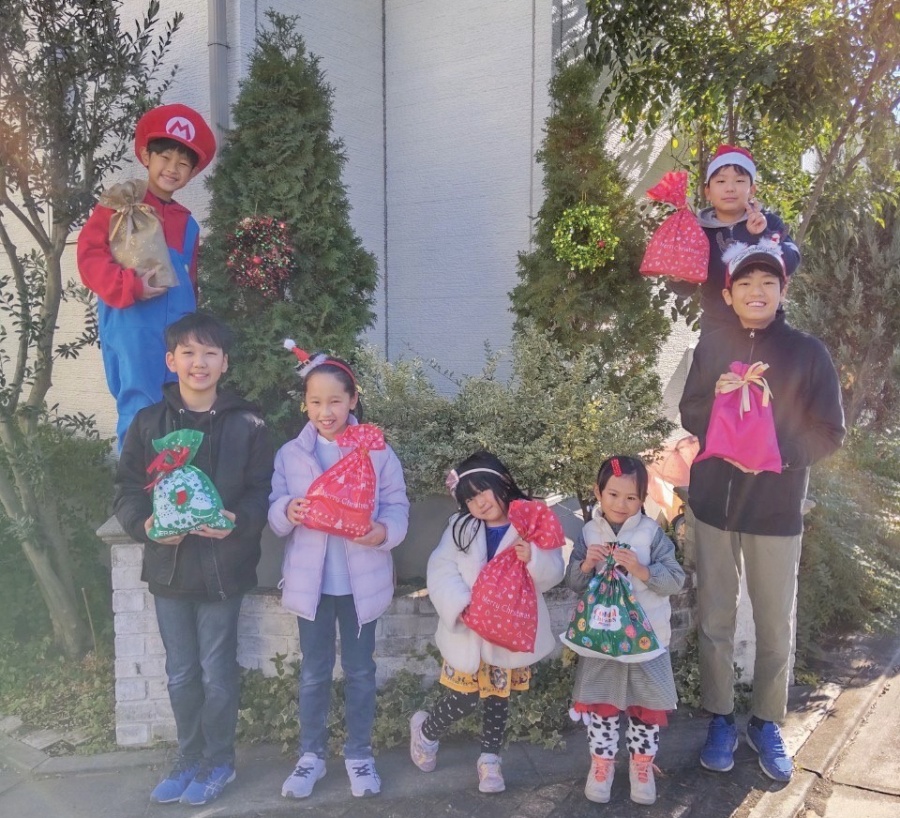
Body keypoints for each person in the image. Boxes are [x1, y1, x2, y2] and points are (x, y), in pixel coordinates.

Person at [679, 242, 844, 782]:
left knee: (775, 622)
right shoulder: (711, 345)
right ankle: (720, 717)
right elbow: (690, 411)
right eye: (745, 283)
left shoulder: (807, 353)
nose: (756, 292)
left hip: (775, 509)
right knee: (715, 619)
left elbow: (829, 431)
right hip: (713, 504)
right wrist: (718, 401)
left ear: (782, 290)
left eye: (767, 283)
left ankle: (767, 721)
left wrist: (776, 454)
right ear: (728, 294)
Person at [114, 312, 274, 806]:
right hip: (169, 570)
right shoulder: (149, 423)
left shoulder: (248, 424)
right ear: (171, 360)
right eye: (188, 352)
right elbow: (126, 490)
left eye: (209, 353)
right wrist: (144, 527)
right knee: (181, 673)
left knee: (216, 672)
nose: (198, 363)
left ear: (225, 363)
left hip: (225, 569)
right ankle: (188, 758)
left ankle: (219, 761)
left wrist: (237, 522)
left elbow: (262, 492)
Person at [269, 351, 410, 800]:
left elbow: (397, 503)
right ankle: (310, 755)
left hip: (360, 586)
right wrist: (287, 510)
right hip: (311, 587)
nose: (325, 411)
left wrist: (383, 532)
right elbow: (274, 509)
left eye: (334, 401)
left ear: (352, 399)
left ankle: (359, 755)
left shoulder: (376, 449)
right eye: (315, 402)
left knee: (360, 671)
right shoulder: (292, 454)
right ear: (305, 404)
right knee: (313, 672)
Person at [409, 451, 565, 793]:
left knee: (498, 698)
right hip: (470, 629)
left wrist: (534, 558)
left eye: (483, 492)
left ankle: (490, 760)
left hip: (508, 630)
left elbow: (554, 570)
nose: (479, 503)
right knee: (463, 697)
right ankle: (426, 732)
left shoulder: (529, 521)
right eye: (469, 499)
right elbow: (441, 568)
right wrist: (460, 605)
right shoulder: (461, 527)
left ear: (502, 482)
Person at [78, 103, 216, 448]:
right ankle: (136, 482)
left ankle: (175, 478)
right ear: (145, 156)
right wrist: (130, 286)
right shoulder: (119, 204)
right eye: (165, 157)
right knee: (140, 405)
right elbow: (89, 257)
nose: (172, 168)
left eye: (183, 163)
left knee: (181, 403)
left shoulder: (189, 224)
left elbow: (191, 284)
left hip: (179, 333)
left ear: (192, 172)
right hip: (133, 324)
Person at [565, 456, 685, 806]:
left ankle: (641, 766)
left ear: (643, 498)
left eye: (631, 497)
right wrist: (586, 563)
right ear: (598, 492)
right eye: (613, 495)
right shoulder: (589, 533)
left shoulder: (652, 534)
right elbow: (573, 582)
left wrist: (641, 569)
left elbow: (675, 580)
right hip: (601, 641)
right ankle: (601, 765)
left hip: (647, 640)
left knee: (646, 708)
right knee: (601, 706)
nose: (621, 504)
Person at [670, 144, 800, 335]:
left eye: (739, 181)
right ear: (708, 191)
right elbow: (685, 289)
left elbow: (791, 262)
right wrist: (677, 277)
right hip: (717, 333)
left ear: (752, 189)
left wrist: (762, 233)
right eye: (721, 181)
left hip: (766, 330)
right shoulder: (697, 231)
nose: (730, 188)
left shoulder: (769, 223)